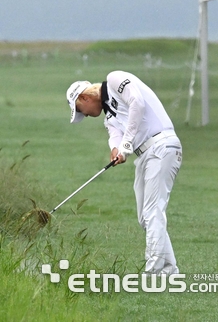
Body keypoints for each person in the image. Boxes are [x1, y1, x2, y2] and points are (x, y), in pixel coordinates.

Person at [66, 71, 182, 275]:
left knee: (153, 210)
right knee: (144, 217)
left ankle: (154, 272)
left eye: (80, 110)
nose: (84, 115)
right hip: (145, 154)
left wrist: (126, 144)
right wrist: (117, 150)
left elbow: (137, 102)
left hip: (162, 145)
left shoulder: (114, 79)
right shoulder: (109, 117)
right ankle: (169, 269)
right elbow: (115, 137)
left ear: (84, 97)